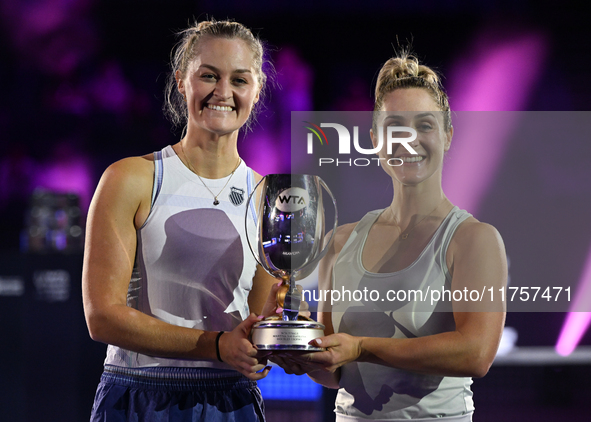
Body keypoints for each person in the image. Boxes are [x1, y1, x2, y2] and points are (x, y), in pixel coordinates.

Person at [272, 52, 508, 421]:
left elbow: (477, 353)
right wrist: (300, 347)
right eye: (395, 125)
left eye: (425, 125)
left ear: (447, 135)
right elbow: (334, 372)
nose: (408, 139)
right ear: (375, 141)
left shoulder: (473, 239)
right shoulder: (340, 242)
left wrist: (361, 347)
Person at [82, 19, 283, 421]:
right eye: (208, 75)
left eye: (239, 80)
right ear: (181, 81)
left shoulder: (271, 198)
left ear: (256, 90)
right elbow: (102, 316)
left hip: (231, 399)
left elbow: (259, 324)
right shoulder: (131, 179)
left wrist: (282, 332)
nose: (222, 92)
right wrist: (217, 344)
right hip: (139, 398)